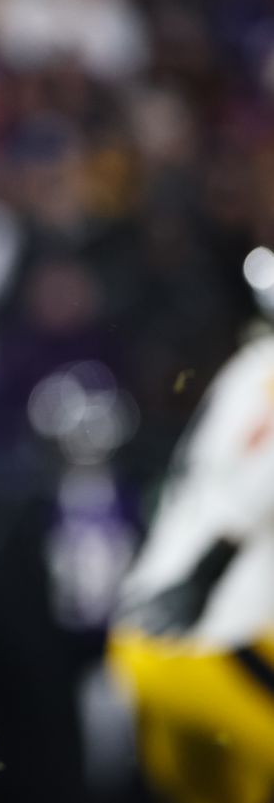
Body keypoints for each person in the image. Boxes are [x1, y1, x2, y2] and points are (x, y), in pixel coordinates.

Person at [110, 291, 274, 803]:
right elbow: (258, 478)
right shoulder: (260, 369)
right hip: (216, 634)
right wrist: (209, 568)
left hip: (146, 638)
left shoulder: (249, 366)